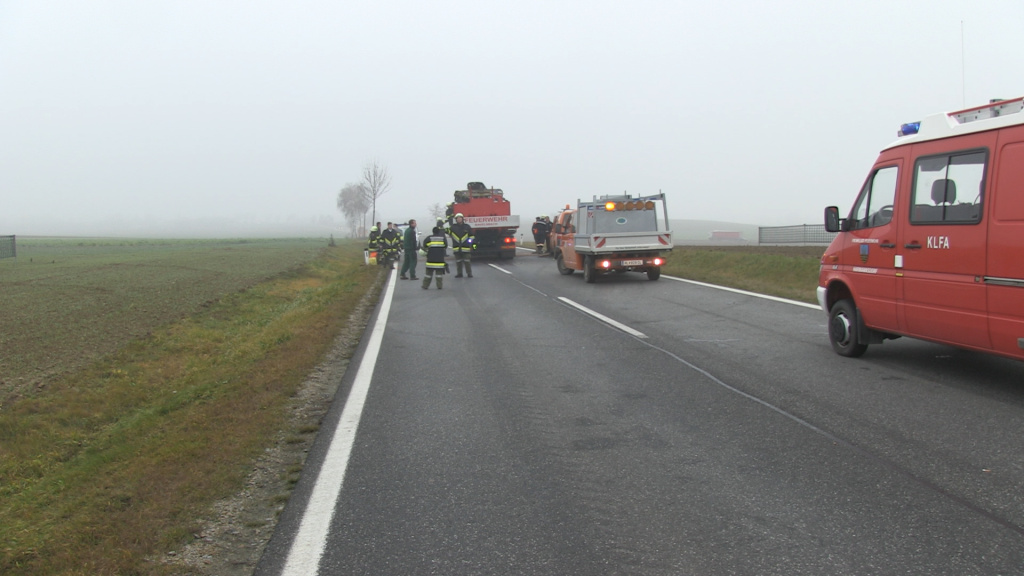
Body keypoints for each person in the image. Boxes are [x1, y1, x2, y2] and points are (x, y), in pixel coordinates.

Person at [448, 212, 474, 278]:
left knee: (467, 261)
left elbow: (471, 236)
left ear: (462, 219)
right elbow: (449, 234)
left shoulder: (467, 227)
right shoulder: (453, 227)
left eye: (460, 218)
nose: (459, 219)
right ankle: (459, 273)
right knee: (458, 262)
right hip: (456, 248)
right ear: (456, 219)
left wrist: (469, 242)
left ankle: (469, 273)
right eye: (457, 218)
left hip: (466, 247)